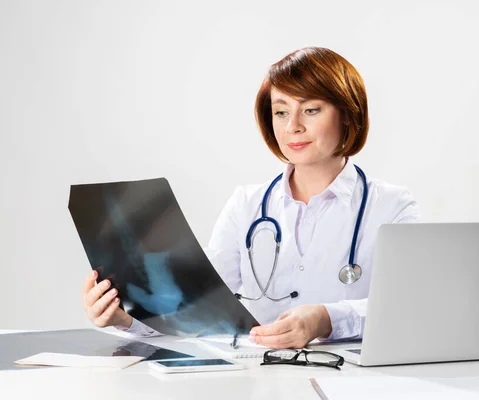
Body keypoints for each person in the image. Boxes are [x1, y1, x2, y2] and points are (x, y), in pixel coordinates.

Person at [82, 47, 420, 349]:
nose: (293, 127)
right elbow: (200, 309)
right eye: (281, 112)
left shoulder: (391, 206)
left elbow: (412, 305)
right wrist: (125, 318)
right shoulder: (246, 205)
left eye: (312, 110)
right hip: (259, 381)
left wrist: (324, 319)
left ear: (347, 113)